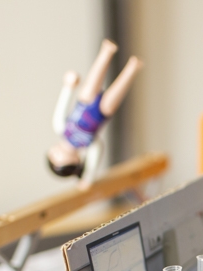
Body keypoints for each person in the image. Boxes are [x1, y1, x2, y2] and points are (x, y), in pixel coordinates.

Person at [47, 40, 142, 184]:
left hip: (84, 102)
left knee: (92, 82)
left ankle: (106, 51)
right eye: (59, 161)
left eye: (53, 157)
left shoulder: (61, 128)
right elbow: (96, 154)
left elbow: (61, 108)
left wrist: (68, 87)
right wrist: (88, 177)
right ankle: (133, 67)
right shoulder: (87, 143)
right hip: (101, 114)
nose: (56, 155)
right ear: (76, 161)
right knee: (116, 92)